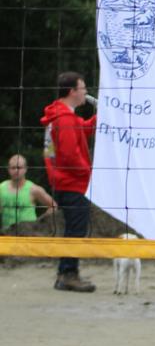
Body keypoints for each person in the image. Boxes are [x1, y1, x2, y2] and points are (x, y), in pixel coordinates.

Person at [40, 71, 98, 292]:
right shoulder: (64, 119)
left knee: (74, 229)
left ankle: (67, 272)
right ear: (72, 91)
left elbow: (82, 130)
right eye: (83, 88)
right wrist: (90, 173)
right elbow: (69, 156)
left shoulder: (63, 117)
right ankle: (67, 274)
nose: (85, 92)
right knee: (75, 230)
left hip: (65, 181)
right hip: (72, 182)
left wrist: (99, 119)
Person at [1, 154, 56, 231]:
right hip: (7, 235)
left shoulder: (33, 189)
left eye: (19, 167)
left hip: (28, 235)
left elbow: (53, 206)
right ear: (8, 169)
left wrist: (40, 222)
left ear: (25, 169)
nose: (16, 170)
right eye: (13, 168)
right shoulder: (1, 188)